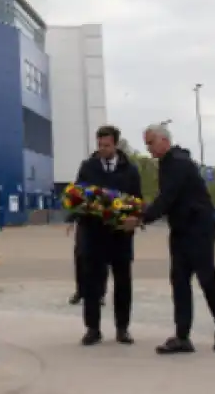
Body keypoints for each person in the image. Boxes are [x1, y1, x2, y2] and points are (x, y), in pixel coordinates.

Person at [123, 123, 215, 354]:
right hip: (181, 228)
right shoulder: (168, 163)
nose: (148, 149)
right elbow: (167, 199)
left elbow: (167, 198)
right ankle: (182, 336)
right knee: (180, 281)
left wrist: (142, 218)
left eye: (150, 143)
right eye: (146, 144)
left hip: (199, 228)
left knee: (206, 278)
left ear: (164, 141)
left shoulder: (178, 163)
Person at [74, 125, 142, 346]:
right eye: (99, 145)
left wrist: (131, 217)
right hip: (93, 236)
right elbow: (78, 195)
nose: (102, 149)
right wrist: (86, 209)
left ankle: (122, 328)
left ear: (116, 144)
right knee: (91, 283)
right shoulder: (87, 167)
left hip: (120, 236)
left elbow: (137, 200)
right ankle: (92, 329)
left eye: (107, 145)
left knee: (123, 282)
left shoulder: (130, 169)